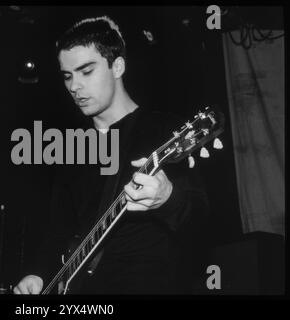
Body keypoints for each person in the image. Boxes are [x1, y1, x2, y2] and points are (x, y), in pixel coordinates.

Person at [13, 15, 209, 294]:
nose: (74, 86)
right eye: (67, 76)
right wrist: (38, 273)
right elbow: (58, 230)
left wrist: (168, 199)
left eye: (86, 71)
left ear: (117, 66)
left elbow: (201, 223)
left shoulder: (164, 130)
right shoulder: (73, 148)